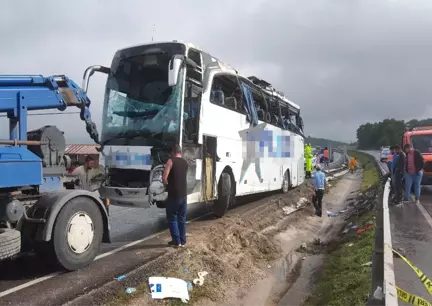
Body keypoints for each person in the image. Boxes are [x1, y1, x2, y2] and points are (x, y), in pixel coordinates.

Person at [162, 144, 189, 248]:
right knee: (182, 218)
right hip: (184, 194)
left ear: (172, 152)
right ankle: (183, 241)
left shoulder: (170, 161)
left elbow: (165, 177)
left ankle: (176, 241)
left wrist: (165, 185)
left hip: (174, 195)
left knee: (172, 217)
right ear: (180, 152)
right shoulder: (185, 163)